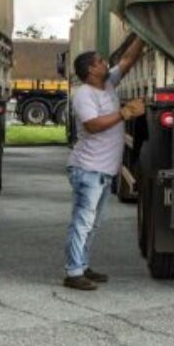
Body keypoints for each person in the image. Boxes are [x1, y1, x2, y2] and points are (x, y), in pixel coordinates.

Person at [63, 37, 146, 291]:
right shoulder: (84, 95)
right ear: (90, 70)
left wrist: (142, 35)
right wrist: (124, 113)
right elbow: (92, 125)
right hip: (88, 169)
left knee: (92, 223)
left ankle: (82, 264)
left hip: (101, 170)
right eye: (100, 61)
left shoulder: (108, 83)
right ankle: (73, 272)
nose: (104, 63)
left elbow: (128, 60)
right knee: (82, 221)